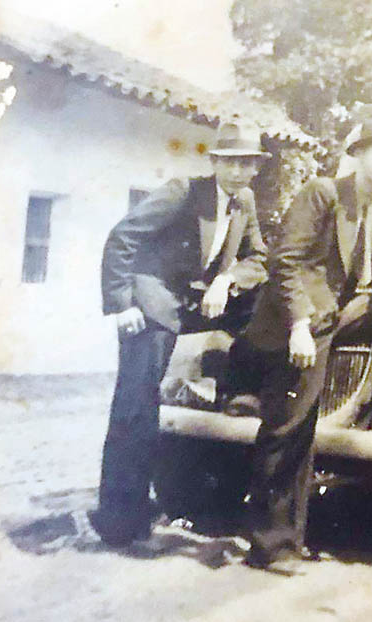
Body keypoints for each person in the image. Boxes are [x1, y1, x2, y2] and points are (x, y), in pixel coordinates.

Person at [239, 112, 372, 572]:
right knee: (288, 427)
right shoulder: (323, 192)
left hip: (334, 316)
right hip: (295, 321)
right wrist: (299, 324)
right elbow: (286, 262)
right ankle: (268, 545)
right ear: (358, 154)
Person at [89, 119, 270, 547]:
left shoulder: (245, 201)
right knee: (137, 406)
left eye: (247, 165)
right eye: (230, 163)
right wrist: (122, 303)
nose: (238, 172)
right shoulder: (183, 191)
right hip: (150, 304)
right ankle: (119, 521)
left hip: (195, 302)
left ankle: (238, 390)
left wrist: (228, 280)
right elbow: (122, 237)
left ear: (255, 169)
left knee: (267, 303)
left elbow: (260, 257)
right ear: (215, 162)